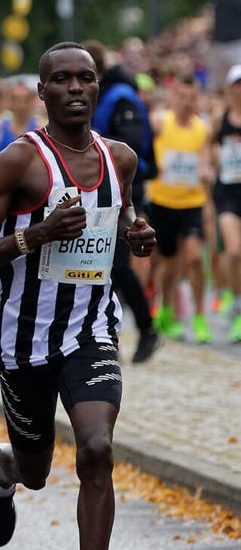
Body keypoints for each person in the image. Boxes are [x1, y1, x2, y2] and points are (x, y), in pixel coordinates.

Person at [0, 43, 156, 550]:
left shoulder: (118, 159)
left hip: (92, 331)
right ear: (41, 92)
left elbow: (122, 217)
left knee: (97, 450)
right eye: (61, 80)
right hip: (25, 341)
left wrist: (137, 232)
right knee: (38, 467)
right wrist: (34, 235)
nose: (75, 88)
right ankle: (4, 472)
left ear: (98, 88)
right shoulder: (19, 162)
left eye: (85, 78)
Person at [84, 41, 158, 361]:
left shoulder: (121, 97)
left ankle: (146, 327)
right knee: (105, 264)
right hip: (97, 190)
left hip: (123, 191)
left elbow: (130, 148)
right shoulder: (106, 95)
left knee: (116, 264)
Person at [147, 74, 210, 343]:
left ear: (197, 99)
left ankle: (199, 317)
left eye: (191, 97)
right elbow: (144, 145)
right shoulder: (161, 122)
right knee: (169, 264)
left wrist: (207, 170)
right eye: (182, 97)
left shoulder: (201, 128)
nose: (186, 102)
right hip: (163, 202)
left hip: (192, 202)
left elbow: (205, 159)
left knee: (195, 259)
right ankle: (167, 310)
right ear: (174, 98)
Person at [210, 66, 241, 339]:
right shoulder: (221, 118)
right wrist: (209, 163)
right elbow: (207, 146)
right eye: (237, 84)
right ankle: (237, 303)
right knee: (233, 251)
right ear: (230, 88)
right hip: (228, 194)